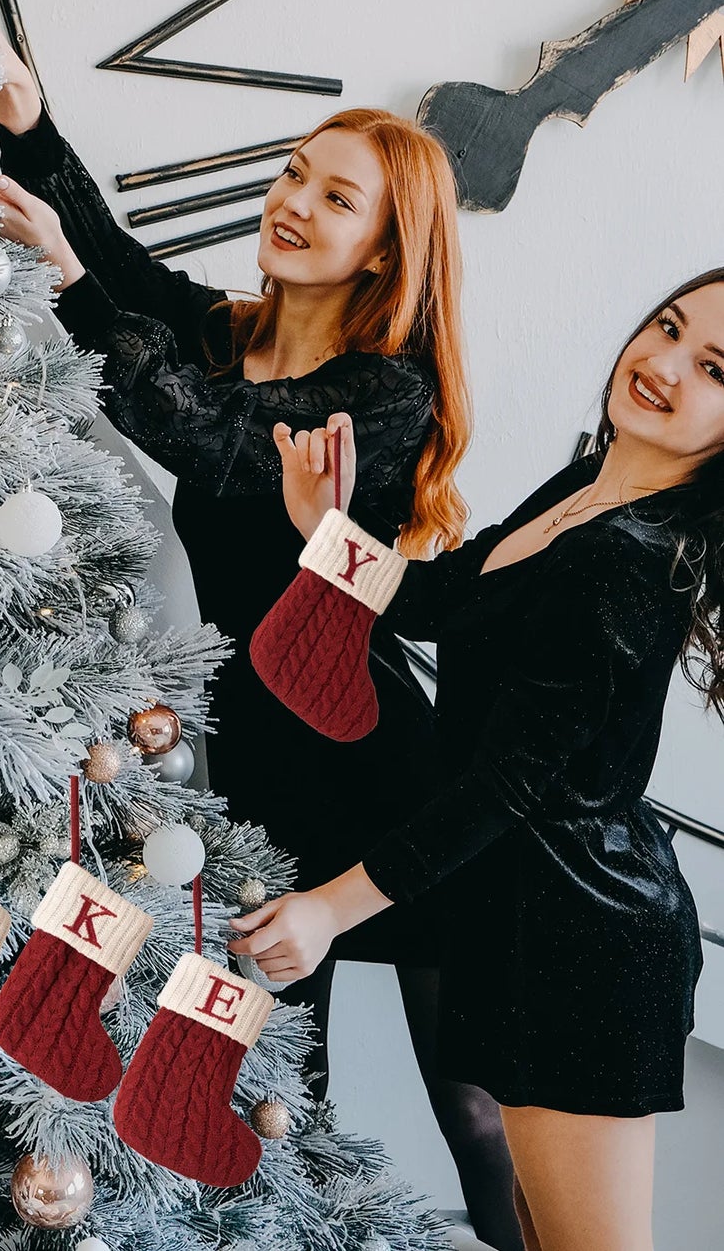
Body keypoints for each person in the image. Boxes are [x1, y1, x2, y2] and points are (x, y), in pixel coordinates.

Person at [0, 21, 523, 1250]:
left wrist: (71, 288)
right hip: (261, 762)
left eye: (337, 198)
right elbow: (112, 262)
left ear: (387, 247)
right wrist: (25, 114)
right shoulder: (227, 330)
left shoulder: (382, 393)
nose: (294, 205)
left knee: (475, 1105)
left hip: (375, 763)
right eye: (290, 175)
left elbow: (205, 436)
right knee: (277, 1086)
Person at [233, 268, 724, 1251]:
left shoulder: (627, 559)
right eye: (665, 326)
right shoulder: (587, 487)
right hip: (515, 919)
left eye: (711, 367)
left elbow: (504, 784)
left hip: (585, 941)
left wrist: (329, 906)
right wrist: (324, 531)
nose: (662, 364)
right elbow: (439, 597)